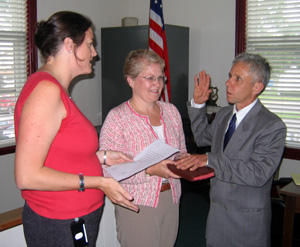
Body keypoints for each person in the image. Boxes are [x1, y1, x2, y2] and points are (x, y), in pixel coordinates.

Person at [14, 11, 138, 247]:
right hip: (58, 222)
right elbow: (27, 176)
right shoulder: (46, 91)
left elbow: (58, 152)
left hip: (71, 218)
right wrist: (97, 182)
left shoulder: (55, 88)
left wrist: (102, 157)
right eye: (90, 45)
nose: (95, 53)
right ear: (70, 45)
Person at [176, 53, 287, 247]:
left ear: (257, 87)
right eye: (230, 76)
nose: (228, 83)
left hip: (246, 223)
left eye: (237, 79)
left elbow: (258, 174)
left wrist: (209, 160)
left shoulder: (271, 126)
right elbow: (202, 138)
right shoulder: (224, 114)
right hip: (217, 217)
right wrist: (198, 105)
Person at [99, 49, 187, 247]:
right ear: (130, 80)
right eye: (149, 78)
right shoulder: (117, 118)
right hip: (137, 203)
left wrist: (185, 163)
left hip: (172, 197)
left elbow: (181, 151)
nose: (157, 84)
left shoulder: (172, 112)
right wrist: (149, 170)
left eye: (160, 78)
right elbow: (108, 172)